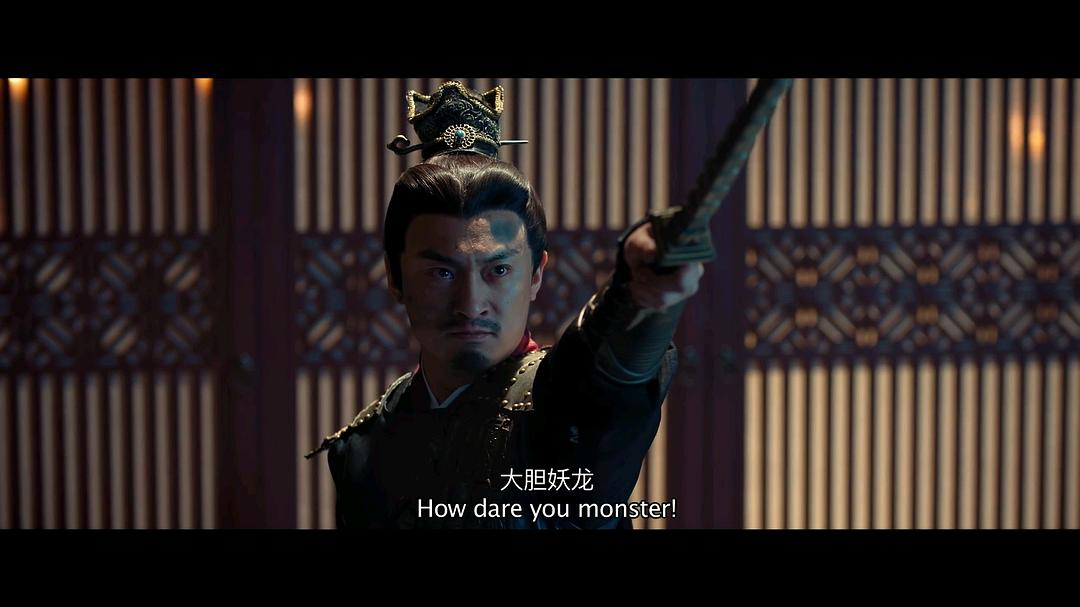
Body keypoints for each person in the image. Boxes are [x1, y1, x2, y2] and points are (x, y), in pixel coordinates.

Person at [305, 80, 704, 528]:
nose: (471, 303)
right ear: (394, 277)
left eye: (497, 270)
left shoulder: (559, 413)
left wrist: (635, 299)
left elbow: (603, 382)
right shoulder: (361, 446)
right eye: (441, 272)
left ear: (535, 274)